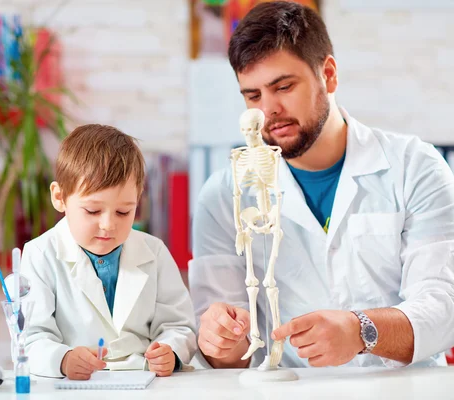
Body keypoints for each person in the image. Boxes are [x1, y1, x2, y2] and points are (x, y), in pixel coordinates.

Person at [189, 1, 454, 370]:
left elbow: (443, 307)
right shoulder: (222, 197)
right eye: (252, 96)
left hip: (406, 390)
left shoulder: (416, 167)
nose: (267, 111)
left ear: (328, 75)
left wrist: (362, 330)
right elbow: (227, 360)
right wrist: (218, 338)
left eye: (283, 87)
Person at [21, 124, 197, 379]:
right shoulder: (39, 254)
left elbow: (178, 325)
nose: (108, 225)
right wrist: (63, 359)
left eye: (124, 212)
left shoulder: (154, 252)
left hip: (145, 380)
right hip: (76, 385)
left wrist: (170, 351)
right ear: (59, 197)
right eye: (93, 211)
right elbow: (32, 337)